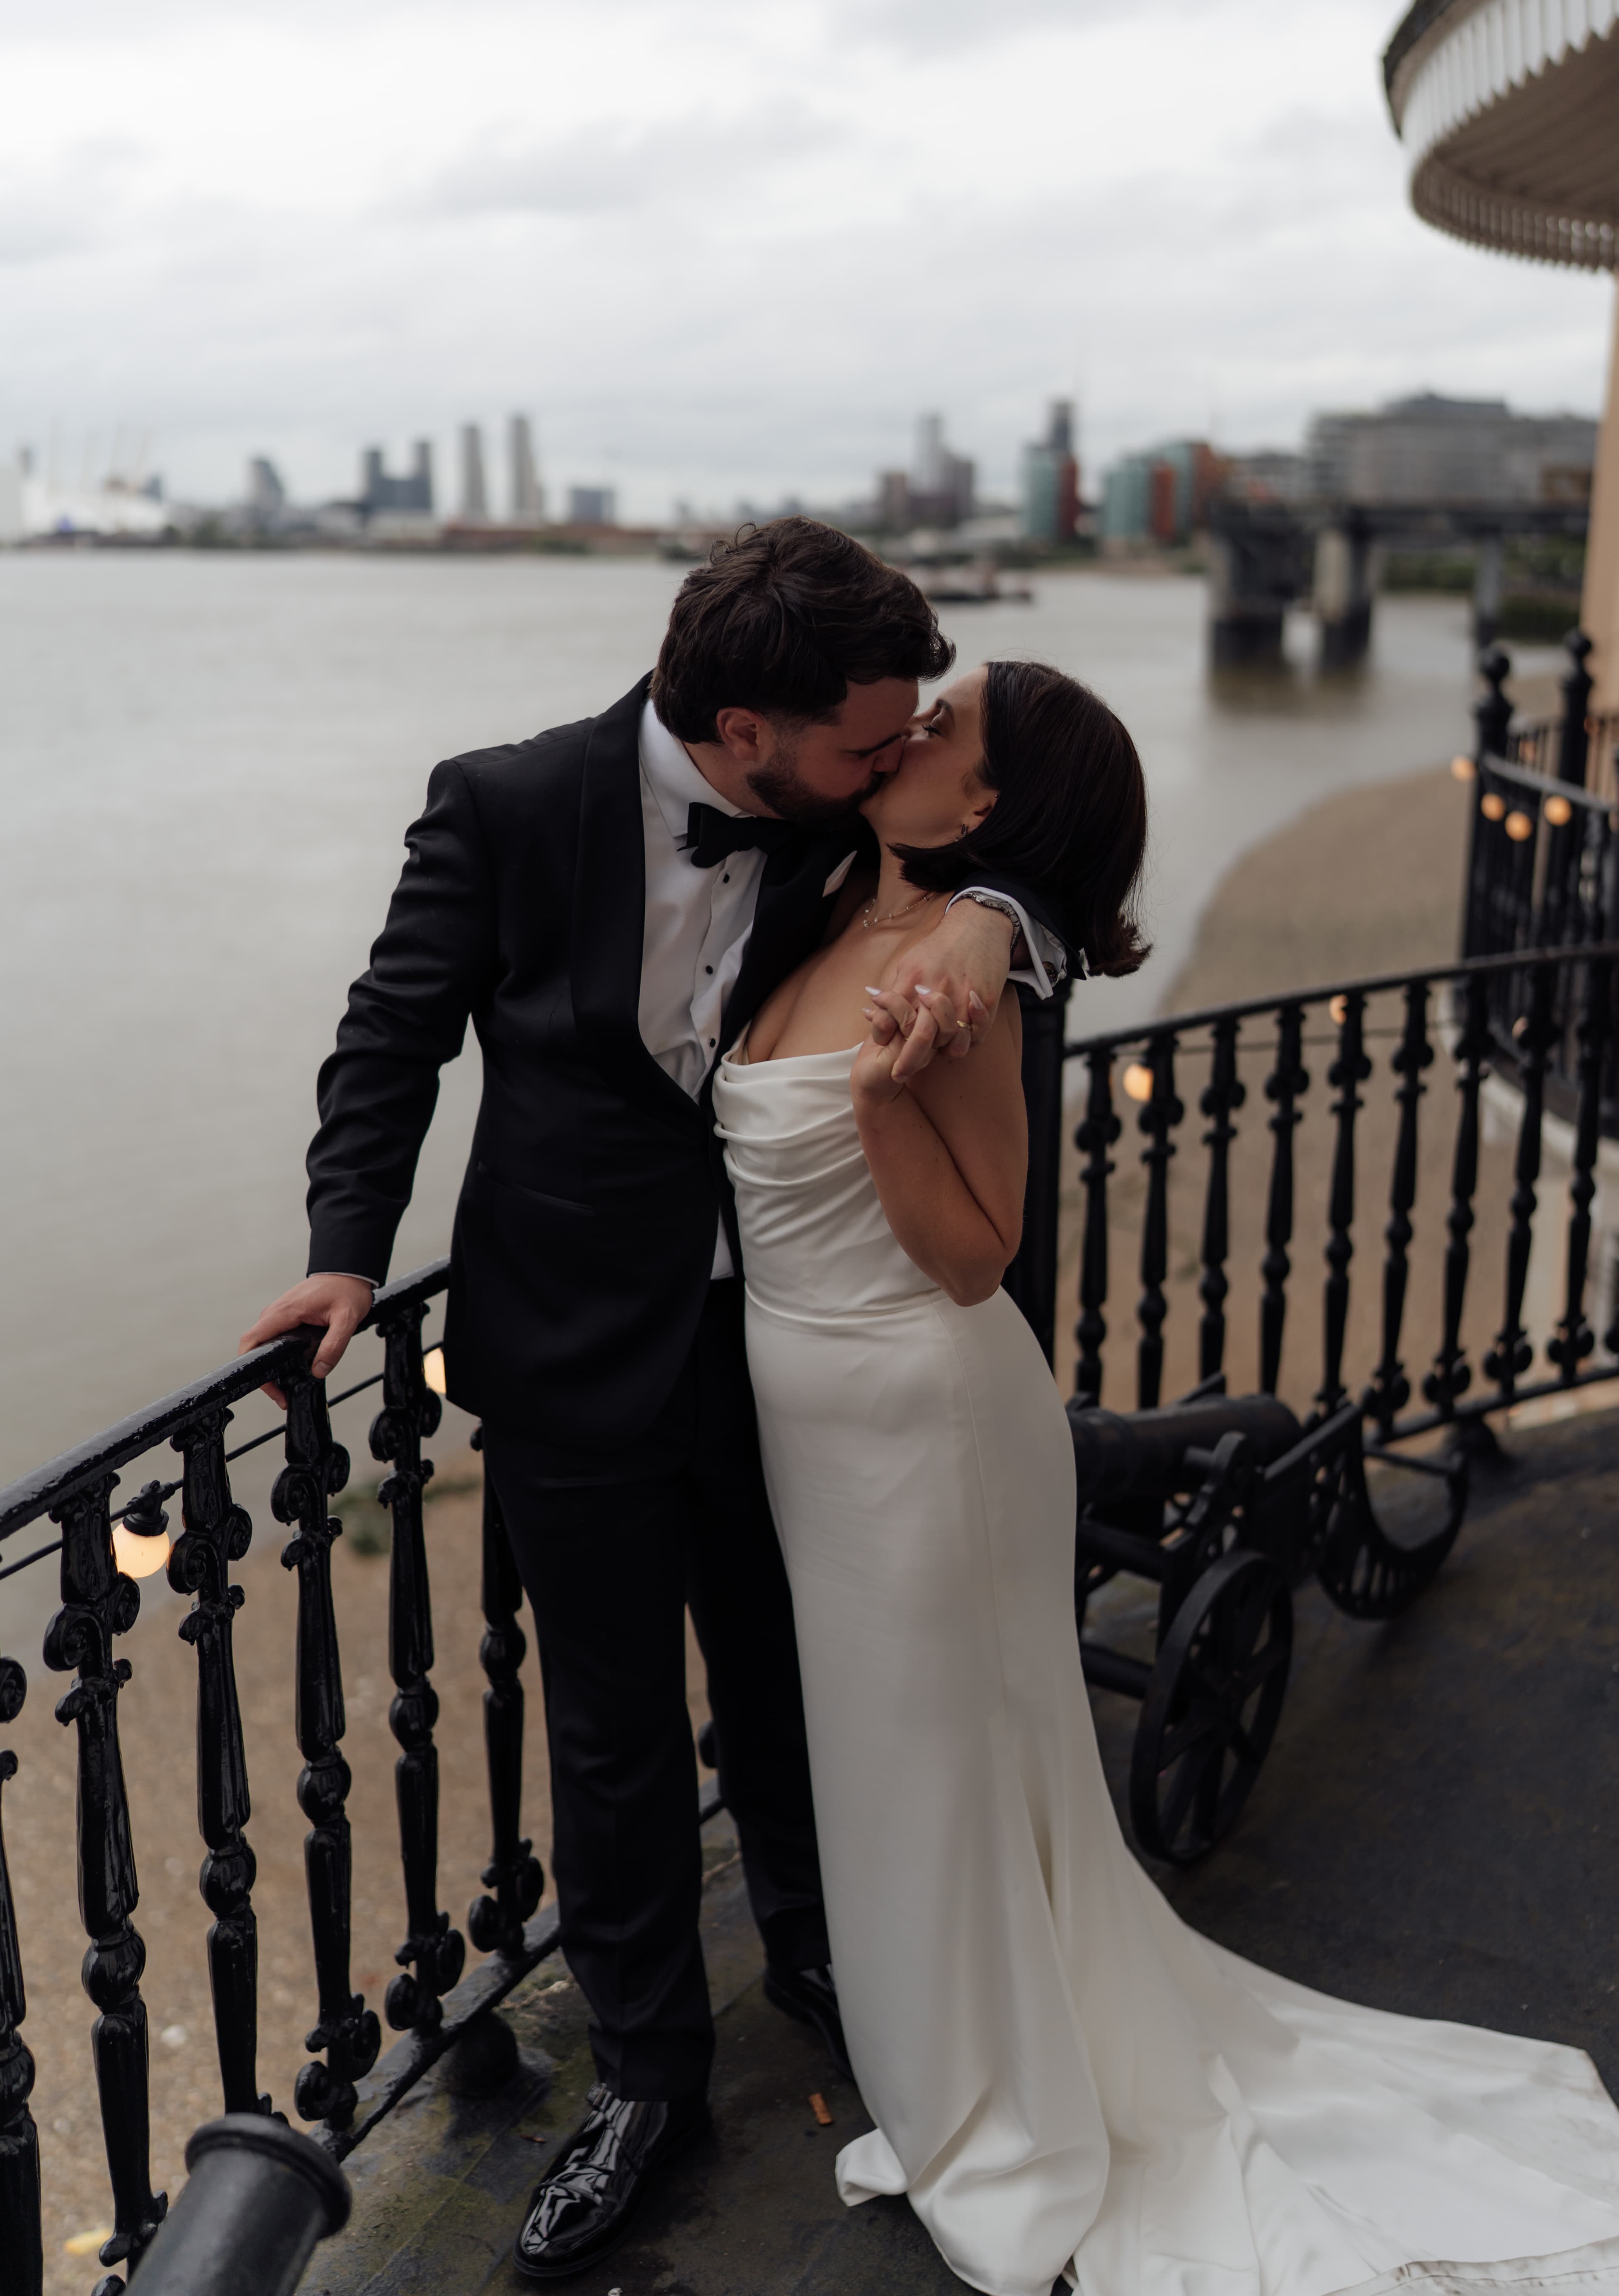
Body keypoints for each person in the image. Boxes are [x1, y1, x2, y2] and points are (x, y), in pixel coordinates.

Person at [716, 656, 1619, 2296]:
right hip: (816, 1434)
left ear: (985, 801)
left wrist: (872, 1104)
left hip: (928, 1424)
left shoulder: (954, 976)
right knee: (881, 1767)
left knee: (947, 1769)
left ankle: (999, 2104)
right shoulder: (836, 886)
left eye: (946, 723)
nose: (912, 724)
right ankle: (948, 2077)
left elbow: (978, 1255)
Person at [239, 519, 1074, 2283]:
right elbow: (393, 1033)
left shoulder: (844, 799)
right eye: (868, 737)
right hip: (563, 1350)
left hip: (790, 1350)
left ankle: (837, 1967)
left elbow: (1015, 854)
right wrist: (344, 1247)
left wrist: (997, 931)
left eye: (911, 734)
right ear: (746, 732)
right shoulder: (507, 803)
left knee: (795, 1686)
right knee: (614, 1733)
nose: (896, 760)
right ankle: (645, 2079)